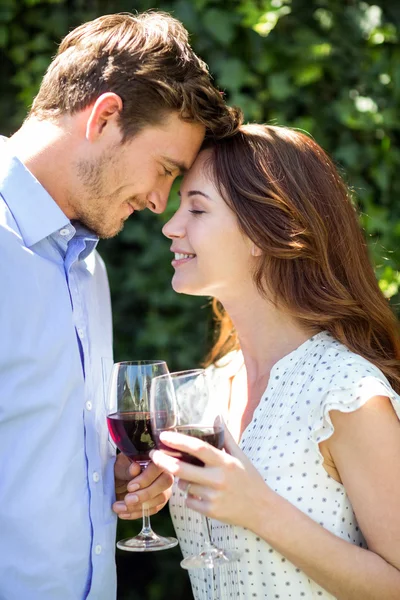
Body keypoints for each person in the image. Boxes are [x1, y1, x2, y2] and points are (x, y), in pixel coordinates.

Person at [0, 11, 241, 600]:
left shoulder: (88, 267)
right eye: (165, 169)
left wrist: (103, 476)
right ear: (105, 116)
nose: (161, 203)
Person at [150, 124, 400, 599]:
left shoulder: (346, 394)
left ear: (264, 233)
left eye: (197, 208)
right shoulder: (199, 394)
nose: (171, 225)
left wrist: (258, 508)